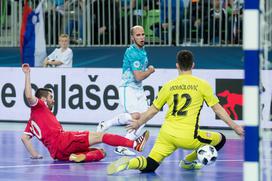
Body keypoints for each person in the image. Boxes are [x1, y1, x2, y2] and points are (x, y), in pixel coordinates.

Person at [107, 50, 244, 174]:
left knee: (151, 164)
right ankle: (188, 162)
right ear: (193, 65)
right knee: (221, 139)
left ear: (177, 66)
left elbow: (152, 111)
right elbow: (218, 109)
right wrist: (235, 127)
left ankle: (130, 163)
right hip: (189, 137)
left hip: (166, 134)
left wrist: (138, 123)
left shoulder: (168, 86)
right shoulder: (202, 85)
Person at [21, 63, 149, 162]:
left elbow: (24, 138)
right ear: (42, 99)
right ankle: (135, 144)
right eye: (50, 97)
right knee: (101, 136)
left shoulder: (31, 122)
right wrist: (27, 74)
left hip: (57, 154)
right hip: (63, 140)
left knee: (101, 152)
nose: (53, 101)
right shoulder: (40, 105)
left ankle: (80, 157)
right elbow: (28, 96)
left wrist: (36, 155)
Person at [96, 25, 155, 156]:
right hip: (128, 87)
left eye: (143, 34)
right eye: (138, 35)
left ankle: (122, 145)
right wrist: (150, 71)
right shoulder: (132, 52)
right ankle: (106, 123)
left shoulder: (142, 50)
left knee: (144, 117)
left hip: (139, 89)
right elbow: (138, 76)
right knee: (136, 116)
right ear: (132, 37)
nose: (141, 37)